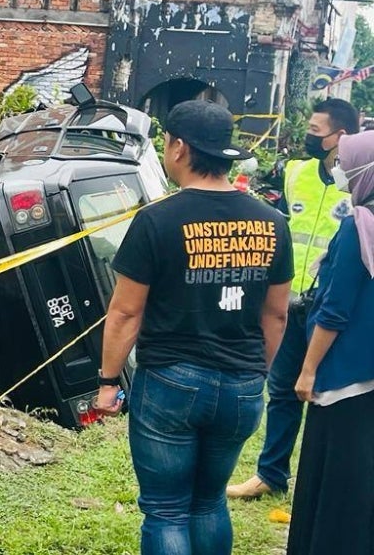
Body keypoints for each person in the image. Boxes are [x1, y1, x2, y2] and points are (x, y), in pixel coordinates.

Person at [95, 100, 293, 555]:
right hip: (243, 386)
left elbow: (125, 313)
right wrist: (254, 371)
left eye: (166, 141)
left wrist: (108, 383)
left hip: (171, 382)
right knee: (208, 502)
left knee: (166, 509)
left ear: (180, 148)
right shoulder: (272, 222)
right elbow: (276, 314)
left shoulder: (157, 220)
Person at [227, 98, 360, 499]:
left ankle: (322, 481)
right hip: (291, 303)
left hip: (335, 309)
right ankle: (270, 474)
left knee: (328, 395)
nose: (308, 137)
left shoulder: (361, 182)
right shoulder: (296, 172)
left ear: (341, 136)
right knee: (283, 391)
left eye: (316, 131)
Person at [285, 131, 374, 554]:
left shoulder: (358, 227)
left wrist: (307, 370)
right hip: (368, 370)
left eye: (344, 161)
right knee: (360, 478)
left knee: (332, 479)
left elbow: (334, 309)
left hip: (342, 375)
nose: (339, 169)